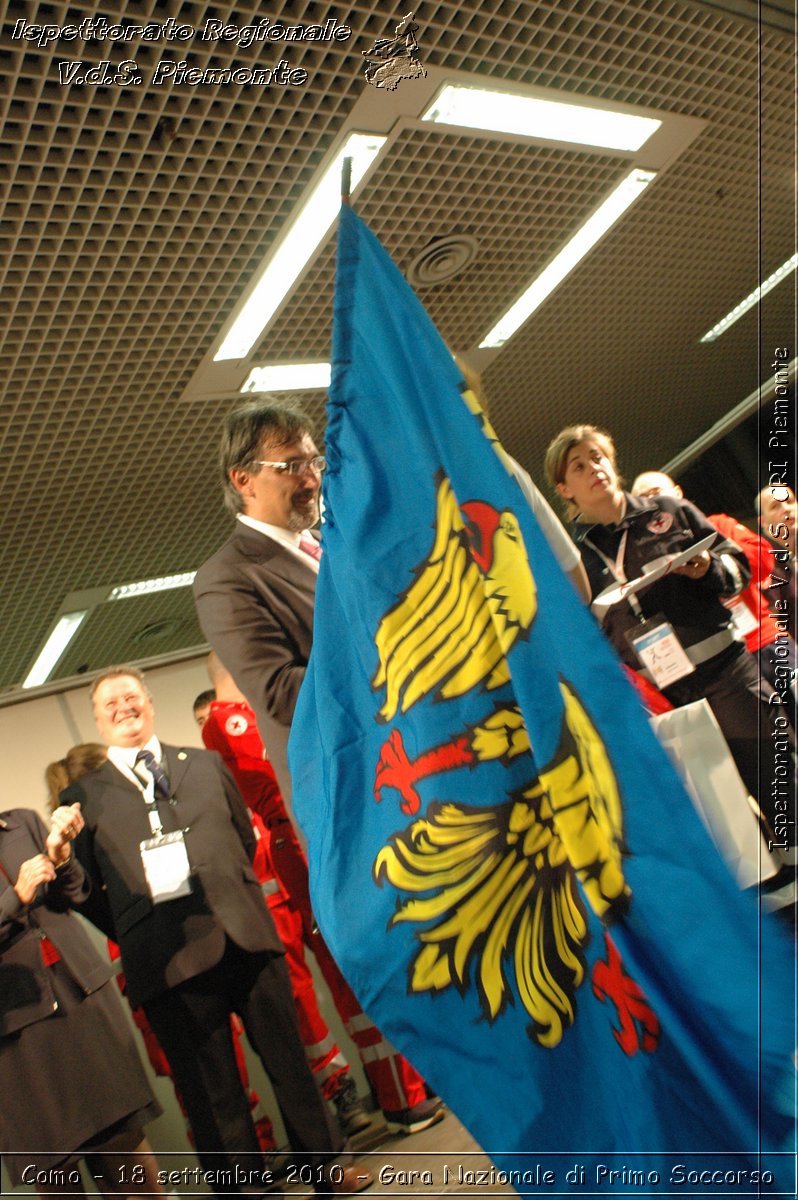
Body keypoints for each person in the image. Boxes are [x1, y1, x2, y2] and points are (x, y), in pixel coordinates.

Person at [193, 401, 444, 1134]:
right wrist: (391, 647)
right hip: (365, 796)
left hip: (432, 765)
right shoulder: (227, 578)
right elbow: (279, 692)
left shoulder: (339, 540)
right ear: (243, 479)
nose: (311, 475)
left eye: (314, 459)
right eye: (291, 465)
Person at [59, 666, 372, 1198]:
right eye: (110, 703)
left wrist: (229, 896)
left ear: (150, 703)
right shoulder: (82, 796)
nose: (123, 707)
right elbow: (84, 890)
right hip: (167, 960)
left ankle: (327, 1167)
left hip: (245, 934)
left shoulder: (203, 763)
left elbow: (240, 839)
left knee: (290, 1062)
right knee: (211, 1091)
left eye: (131, 696)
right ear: (96, 719)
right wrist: (137, 928)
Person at [544, 425, 794, 847]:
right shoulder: (571, 559)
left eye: (598, 457)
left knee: (776, 779)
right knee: (724, 811)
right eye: (579, 466)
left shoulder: (669, 510)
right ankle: (771, 897)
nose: (595, 469)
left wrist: (708, 570)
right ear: (564, 488)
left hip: (727, 671)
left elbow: (740, 571)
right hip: (664, 698)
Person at [45, 745, 281, 1160]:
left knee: (219, 1082)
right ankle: (246, 1168)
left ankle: (256, 1157)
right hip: (160, 968)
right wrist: (127, 924)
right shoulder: (86, 827)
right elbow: (81, 896)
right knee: (210, 1085)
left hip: (194, 952)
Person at [193, 662, 372, 1139]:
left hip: (302, 859)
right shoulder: (225, 727)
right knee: (297, 1002)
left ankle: (396, 1086)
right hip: (266, 883)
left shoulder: (265, 717)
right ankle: (339, 1093)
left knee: (346, 972)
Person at [0, 802, 163, 1199]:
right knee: (58, 1173)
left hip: (82, 1001)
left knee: (126, 1150)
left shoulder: (20, 822)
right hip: (18, 1040)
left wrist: (63, 857)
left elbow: (74, 892)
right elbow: (19, 899)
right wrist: (14, 898)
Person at [632, 470, 797, 725]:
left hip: (765, 640)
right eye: (642, 499)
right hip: (723, 667)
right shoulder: (646, 565)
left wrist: (712, 561)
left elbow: (763, 560)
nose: (652, 502)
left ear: (677, 494)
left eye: (657, 492)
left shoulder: (717, 525)